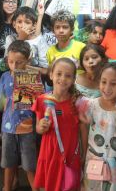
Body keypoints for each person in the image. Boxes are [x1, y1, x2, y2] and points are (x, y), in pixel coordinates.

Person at [0, 40, 39, 191]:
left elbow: (41, 102)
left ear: (28, 60)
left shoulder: (33, 76)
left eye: (19, 62)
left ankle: (35, 188)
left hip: (27, 128)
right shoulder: (4, 76)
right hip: (8, 126)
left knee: (29, 164)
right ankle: (7, 187)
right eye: (11, 61)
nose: (14, 66)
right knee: (8, 162)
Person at [33, 58, 82, 191]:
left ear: (73, 79)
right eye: (59, 74)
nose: (63, 78)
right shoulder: (42, 100)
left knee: (69, 185)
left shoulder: (77, 102)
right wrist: (41, 127)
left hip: (70, 153)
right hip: (50, 153)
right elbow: (38, 129)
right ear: (51, 75)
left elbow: (82, 131)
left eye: (68, 75)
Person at [78, 62, 116, 191]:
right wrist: (83, 153)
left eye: (113, 83)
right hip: (95, 162)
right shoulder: (91, 105)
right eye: (103, 82)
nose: (107, 88)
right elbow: (84, 129)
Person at [4, 6, 49, 74]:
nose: (23, 25)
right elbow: (6, 63)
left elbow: (46, 71)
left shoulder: (40, 41)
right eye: (19, 22)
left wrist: (24, 67)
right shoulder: (10, 38)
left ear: (34, 25)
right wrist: (21, 39)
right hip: (13, 79)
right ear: (14, 24)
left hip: (33, 80)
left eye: (27, 22)